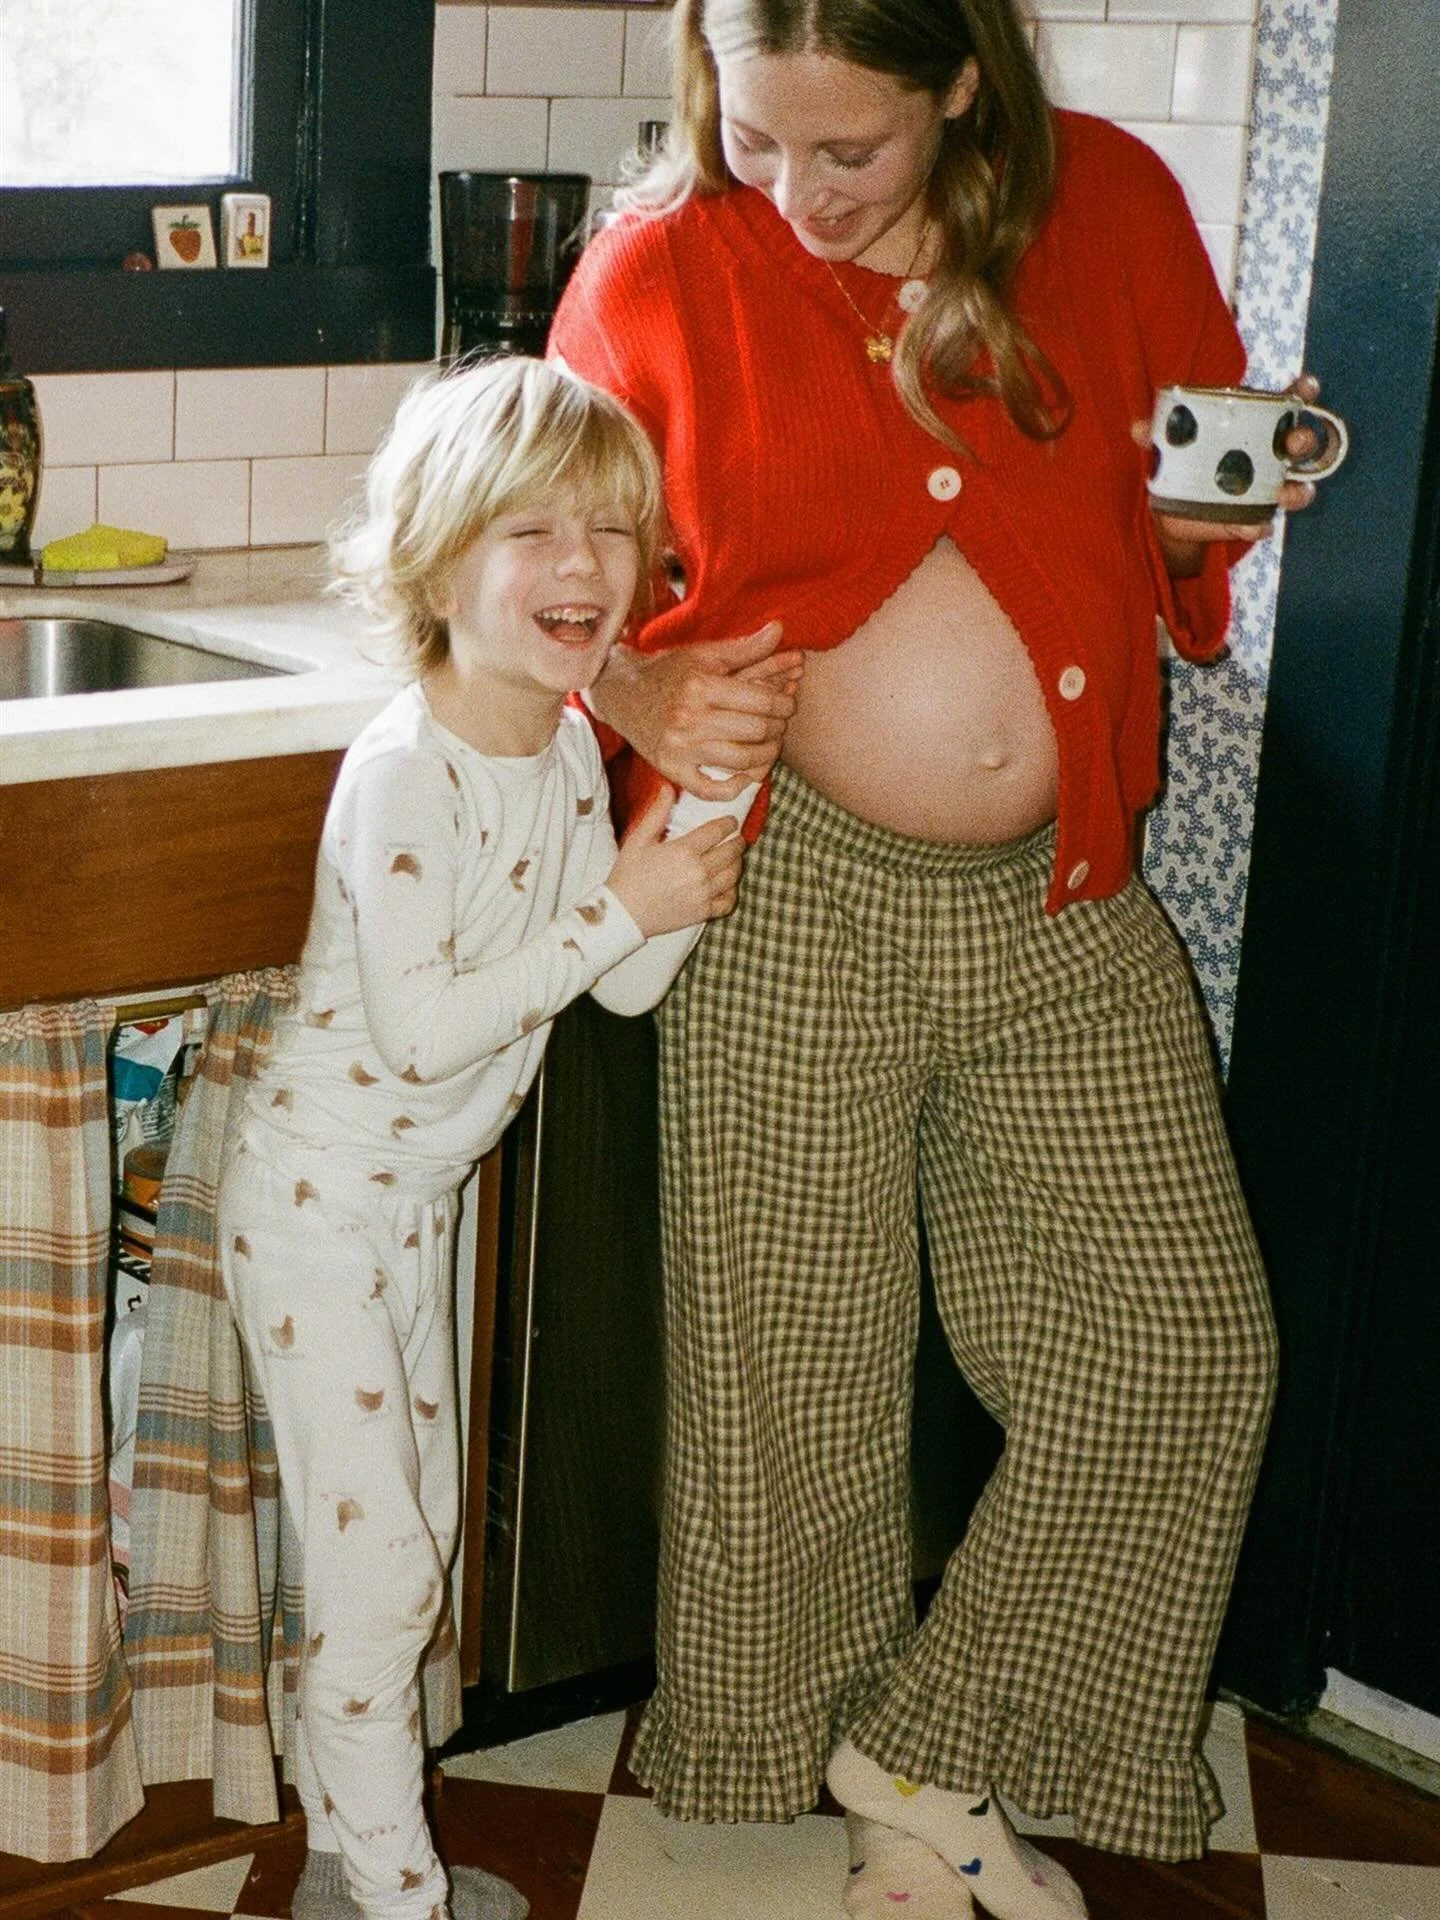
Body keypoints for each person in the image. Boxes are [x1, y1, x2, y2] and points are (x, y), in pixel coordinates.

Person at [548, 2, 1301, 1915]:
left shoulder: (1109, 203)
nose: (796, 195)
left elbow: (1173, 530)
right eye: (755, 137)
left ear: (964, 82)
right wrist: (634, 682)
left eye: (850, 151)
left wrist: (1216, 504)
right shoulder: (661, 266)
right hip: (784, 890)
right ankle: (878, 1806)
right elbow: (515, 556)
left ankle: (928, 1739)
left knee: (1183, 1348)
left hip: (1065, 891)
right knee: (795, 1374)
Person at [216, 356, 750, 1920]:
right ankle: (400, 1898)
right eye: (533, 530)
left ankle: (345, 1857)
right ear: (436, 569)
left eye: (613, 527)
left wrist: (705, 806)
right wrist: (622, 904)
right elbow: (426, 1031)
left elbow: (623, 983)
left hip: (418, 1209)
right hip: (314, 1209)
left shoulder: (569, 747)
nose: (585, 561)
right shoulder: (405, 774)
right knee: (385, 1574)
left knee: (413, 1551)